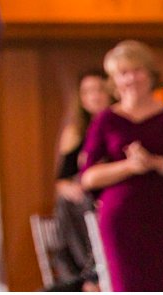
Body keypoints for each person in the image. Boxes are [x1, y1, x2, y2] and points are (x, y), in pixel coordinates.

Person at [78, 39, 163, 292]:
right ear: (114, 80)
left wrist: (156, 163)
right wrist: (130, 167)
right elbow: (88, 177)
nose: (132, 79)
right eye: (124, 73)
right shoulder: (106, 120)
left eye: (137, 70)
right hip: (122, 221)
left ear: (150, 74)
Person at [52, 68, 110, 290]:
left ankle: (92, 275)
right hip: (85, 195)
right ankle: (81, 275)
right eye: (88, 92)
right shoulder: (75, 131)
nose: (94, 96)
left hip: (108, 191)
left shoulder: (117, 124)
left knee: (87, 204)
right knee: (68, 203)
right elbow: (63, 178)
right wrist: (67, 188)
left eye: (99, 90)